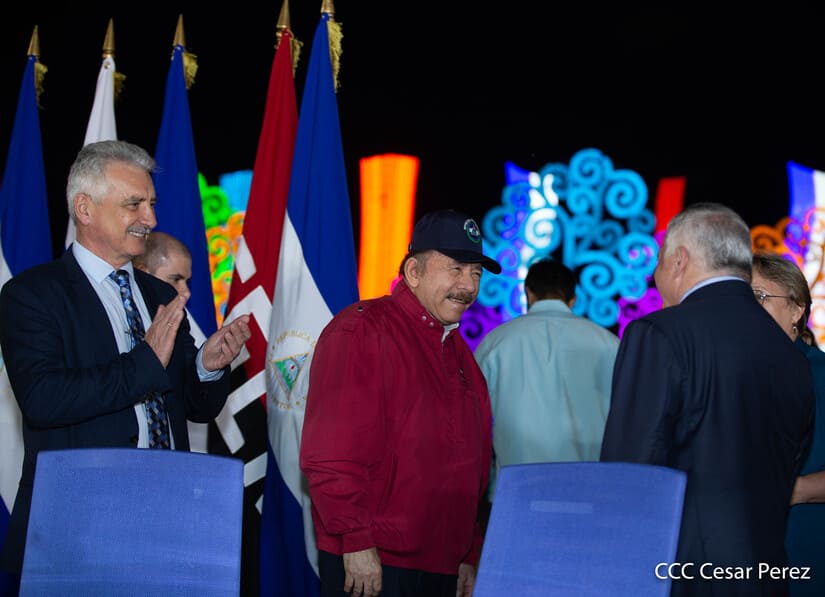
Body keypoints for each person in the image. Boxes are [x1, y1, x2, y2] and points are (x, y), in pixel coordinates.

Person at [0, 140, 251, 578]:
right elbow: (44, 400)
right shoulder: (32, 295)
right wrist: (146, 361)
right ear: (85, 208)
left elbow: (195, 406)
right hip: (79, 530)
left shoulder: (160, 294)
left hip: (170, 517)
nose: (150, 220)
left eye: (151, 204)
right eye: (134, 205)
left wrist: (207, 367)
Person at [600, 202, 814, 596]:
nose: (655, 275)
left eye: (659, 261)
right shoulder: (791, 355)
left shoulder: (659, 333)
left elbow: (628, 474)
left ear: (679, 260)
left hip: (682, 575)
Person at [300, 209, 501, 597]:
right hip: (375, 561)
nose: (468, 286)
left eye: (476, 273)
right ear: (413, 272)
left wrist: (467, 553)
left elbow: (472, 467)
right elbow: (330, 451)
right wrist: (355, 539)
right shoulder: (362, 330)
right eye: (456, 269)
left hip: (440, 564)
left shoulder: (461, 354)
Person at [474, 257, 618, 497]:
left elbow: (472, 419)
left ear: (528, 294)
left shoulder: (496, 342)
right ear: (573, 299)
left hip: (517, 490)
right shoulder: (609, 344)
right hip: (591, 489)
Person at [752, 251, 825, 596]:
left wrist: (795, 490)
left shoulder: (820, 375)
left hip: (803, 543)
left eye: (759, 297)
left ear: (796, 310)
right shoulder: (735, 374)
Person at [134, 230, 209, 454]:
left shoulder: (180, 328)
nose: (185, 291)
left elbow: (194, 398)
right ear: (143, 273)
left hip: (173, 461)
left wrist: (208, 365)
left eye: (187, 281)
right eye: (175, 279)